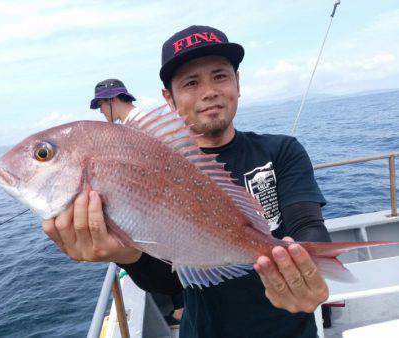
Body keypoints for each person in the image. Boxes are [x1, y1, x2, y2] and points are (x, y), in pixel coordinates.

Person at [42, 25, 331, 337]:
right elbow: (170, 281)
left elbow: (308, 225)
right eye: (191, 82)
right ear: (170, 98)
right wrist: (125, 255)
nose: (209, 91)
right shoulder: (153, 167)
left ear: (237, 82)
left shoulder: (283, 150)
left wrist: (306, 267)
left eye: (220, 75)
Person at [90, 77, 184, 325]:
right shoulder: (139, 122)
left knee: (169, 258)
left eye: (100, 105)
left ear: (110, 101)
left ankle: (182, 311)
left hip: (160, 209)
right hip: (162, 206)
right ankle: (181, 308)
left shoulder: (135, 129)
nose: (100, 111)